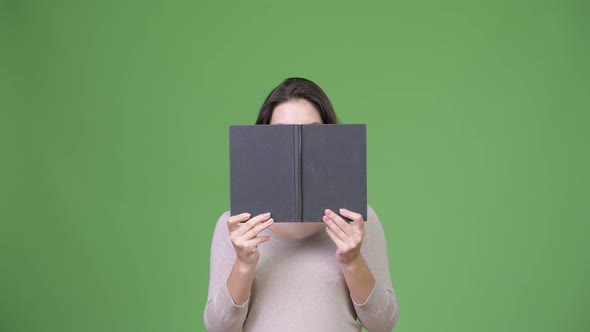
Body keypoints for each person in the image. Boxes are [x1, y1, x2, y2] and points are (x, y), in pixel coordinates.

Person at [204, 78, 399, 332]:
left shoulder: (358, 221)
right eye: (281, 134)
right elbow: (219, 329)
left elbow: (383, 324)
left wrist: (352, 260)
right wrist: (243, 263)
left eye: (313, 132)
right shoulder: (237, 227)